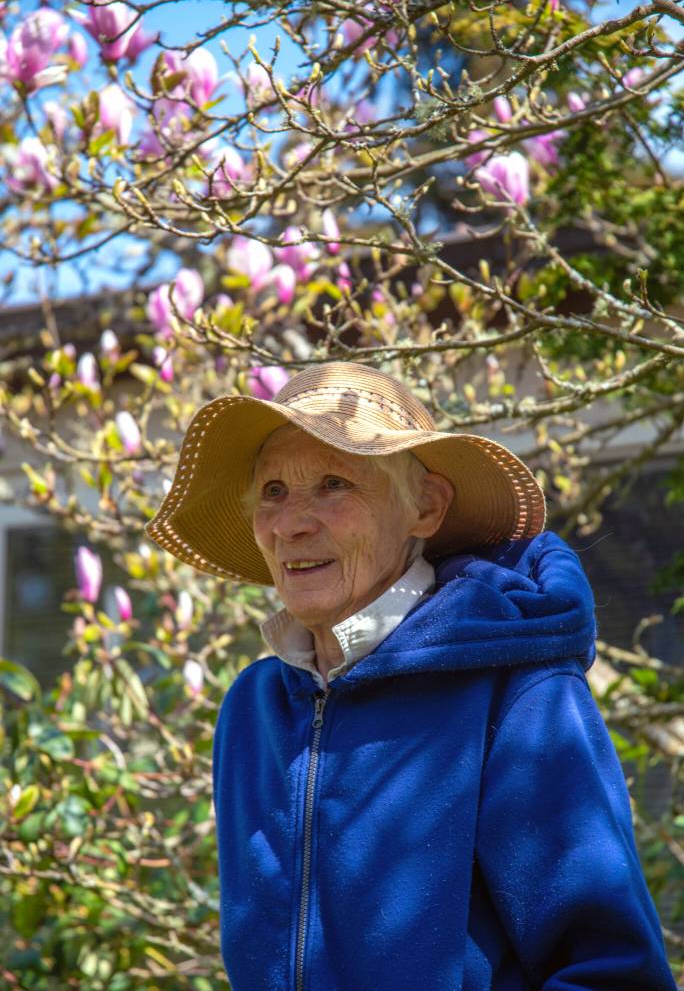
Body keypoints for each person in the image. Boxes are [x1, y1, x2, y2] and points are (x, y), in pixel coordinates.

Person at [146, 361, 677, 991]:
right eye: (273, 491)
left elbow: (614, 973)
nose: (291, 523)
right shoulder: (253, 710)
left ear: (425, 507)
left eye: (335, 483)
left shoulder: (514, 692)